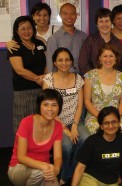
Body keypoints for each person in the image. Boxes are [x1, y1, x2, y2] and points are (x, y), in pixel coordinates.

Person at [43, 48, 90, 185]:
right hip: (56, 122)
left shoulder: (78, 78)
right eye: (60, 60)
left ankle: (73, 171)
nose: (64, 63)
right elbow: (48, 108)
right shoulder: (49, 79)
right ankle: (65, 174)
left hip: (75, 120)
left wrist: (74, 125)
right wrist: (65, 128)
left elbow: (80, 105)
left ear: (71, 62)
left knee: (86, 138)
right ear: (55, 62)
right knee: (67, 145)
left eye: (67, 60)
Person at [7, 89, 63, 186]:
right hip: (19, 169)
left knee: (51, 179)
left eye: (54, 105)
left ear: (59, 108)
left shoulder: (58, 126)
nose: (50, 109)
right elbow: (21, 157)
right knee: (41, 173)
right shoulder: (26, 122)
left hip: (44, 170)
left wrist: (56, 170)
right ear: (39, 106)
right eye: (45, 104)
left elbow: (58, 157)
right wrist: (44, 167)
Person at [72, 106, 122, 186]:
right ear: (101, 126)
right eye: (106, 123)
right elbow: (80, 167)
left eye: (114, 122)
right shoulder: (92, 141)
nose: (110, 126)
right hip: (91, 178)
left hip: (111, 182)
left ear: (119, 123)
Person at [8, 16, 47, 133]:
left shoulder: (39, 43)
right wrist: (37, 79)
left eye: (29, 28)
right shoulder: (15, 46)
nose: (26, 31)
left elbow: (47, 62)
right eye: (22, 29)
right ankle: (22, 151)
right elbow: (19, 70)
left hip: (41, 89)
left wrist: (45, 76)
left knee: (40, 124)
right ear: (17, 31)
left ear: (33, 29)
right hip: (23, 92)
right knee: (23, 126)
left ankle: (40, 150)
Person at [84, 44, 122, 135]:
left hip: (117, 116)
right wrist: (101, 118)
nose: (108, 59)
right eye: (105, 56)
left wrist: (115, 118)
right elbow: (87, 101)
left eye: (111, 56)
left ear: (116, 58)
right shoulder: (90, 76)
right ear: (100, 58)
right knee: (97, 134)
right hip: (95, 116)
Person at [78, 8, 122, 76]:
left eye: (107, 21)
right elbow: (83, 64)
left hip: (113, 82)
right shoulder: (90, 41)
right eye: (101, 21)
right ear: (97, 24)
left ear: (111, 22)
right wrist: (95, 80)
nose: (104, 24)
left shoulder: (117, 43)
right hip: (94, 82)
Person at [47, 3, 87, 73]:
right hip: (62, 80)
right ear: (60, 15)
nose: (69, 16)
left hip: (82, 79)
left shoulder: (84, 37)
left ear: (76, 15)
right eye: (65, 13)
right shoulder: (54, 38)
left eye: (72, 13)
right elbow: (51, 65)